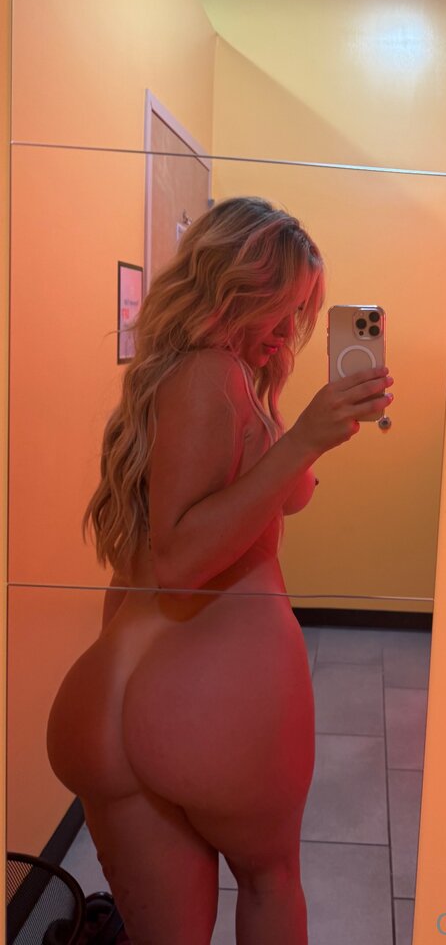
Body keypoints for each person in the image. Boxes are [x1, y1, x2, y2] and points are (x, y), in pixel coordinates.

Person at [45, 196, 395, 945]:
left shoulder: (184, 376)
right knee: (271, 883)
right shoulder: (212, 375)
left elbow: (220, 512)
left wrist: (287, 413)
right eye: (283, 306)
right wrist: (302, 440)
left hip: (110, 695)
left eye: (302, 312)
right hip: (212, 702)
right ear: (235, 286)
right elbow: (181, 557)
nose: (290, 328)